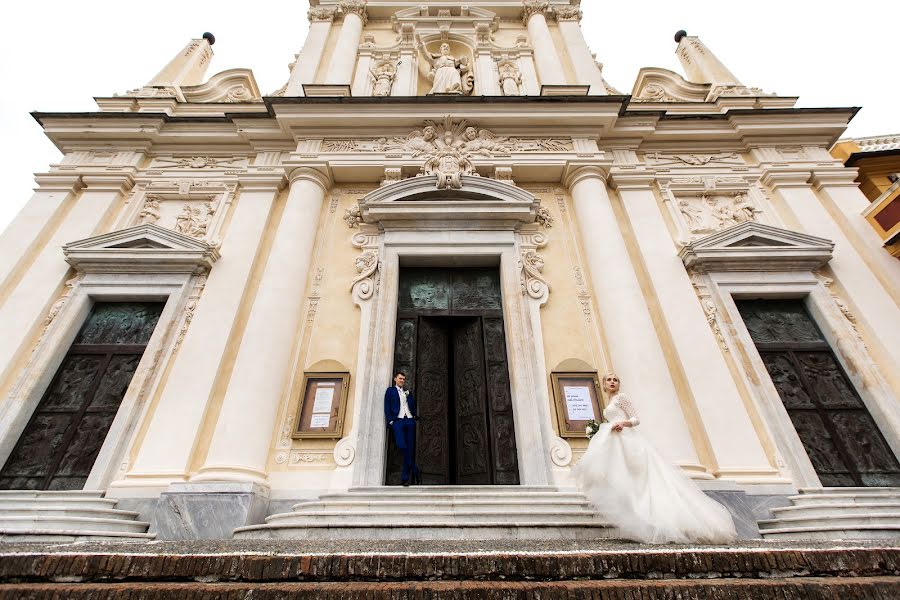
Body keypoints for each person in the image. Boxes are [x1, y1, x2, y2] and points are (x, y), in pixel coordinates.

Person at [574, 373, 737, 544]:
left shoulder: (622, 398)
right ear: (604, 385)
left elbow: (636, 419)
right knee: (627, 480)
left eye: (615, 380)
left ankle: (668, 521)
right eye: (609, 380)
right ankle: (644, 521)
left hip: (629, 441)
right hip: (617, 442)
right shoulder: (610, 402)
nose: (612, 382)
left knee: (644, 481)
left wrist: (623, 423)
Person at [384, 371, 421, 486]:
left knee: (409, 449)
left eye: (404, 379)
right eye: (400, 378)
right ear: (395, 379)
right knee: (401, 445)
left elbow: (412, 405)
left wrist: (414, 417)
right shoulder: (390, 391)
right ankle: (415, 469)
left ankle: (405, 478)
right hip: (398, 421)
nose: (402, 381)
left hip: (409, 421)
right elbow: (387, 406)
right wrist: (390, 421)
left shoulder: (407, 392)